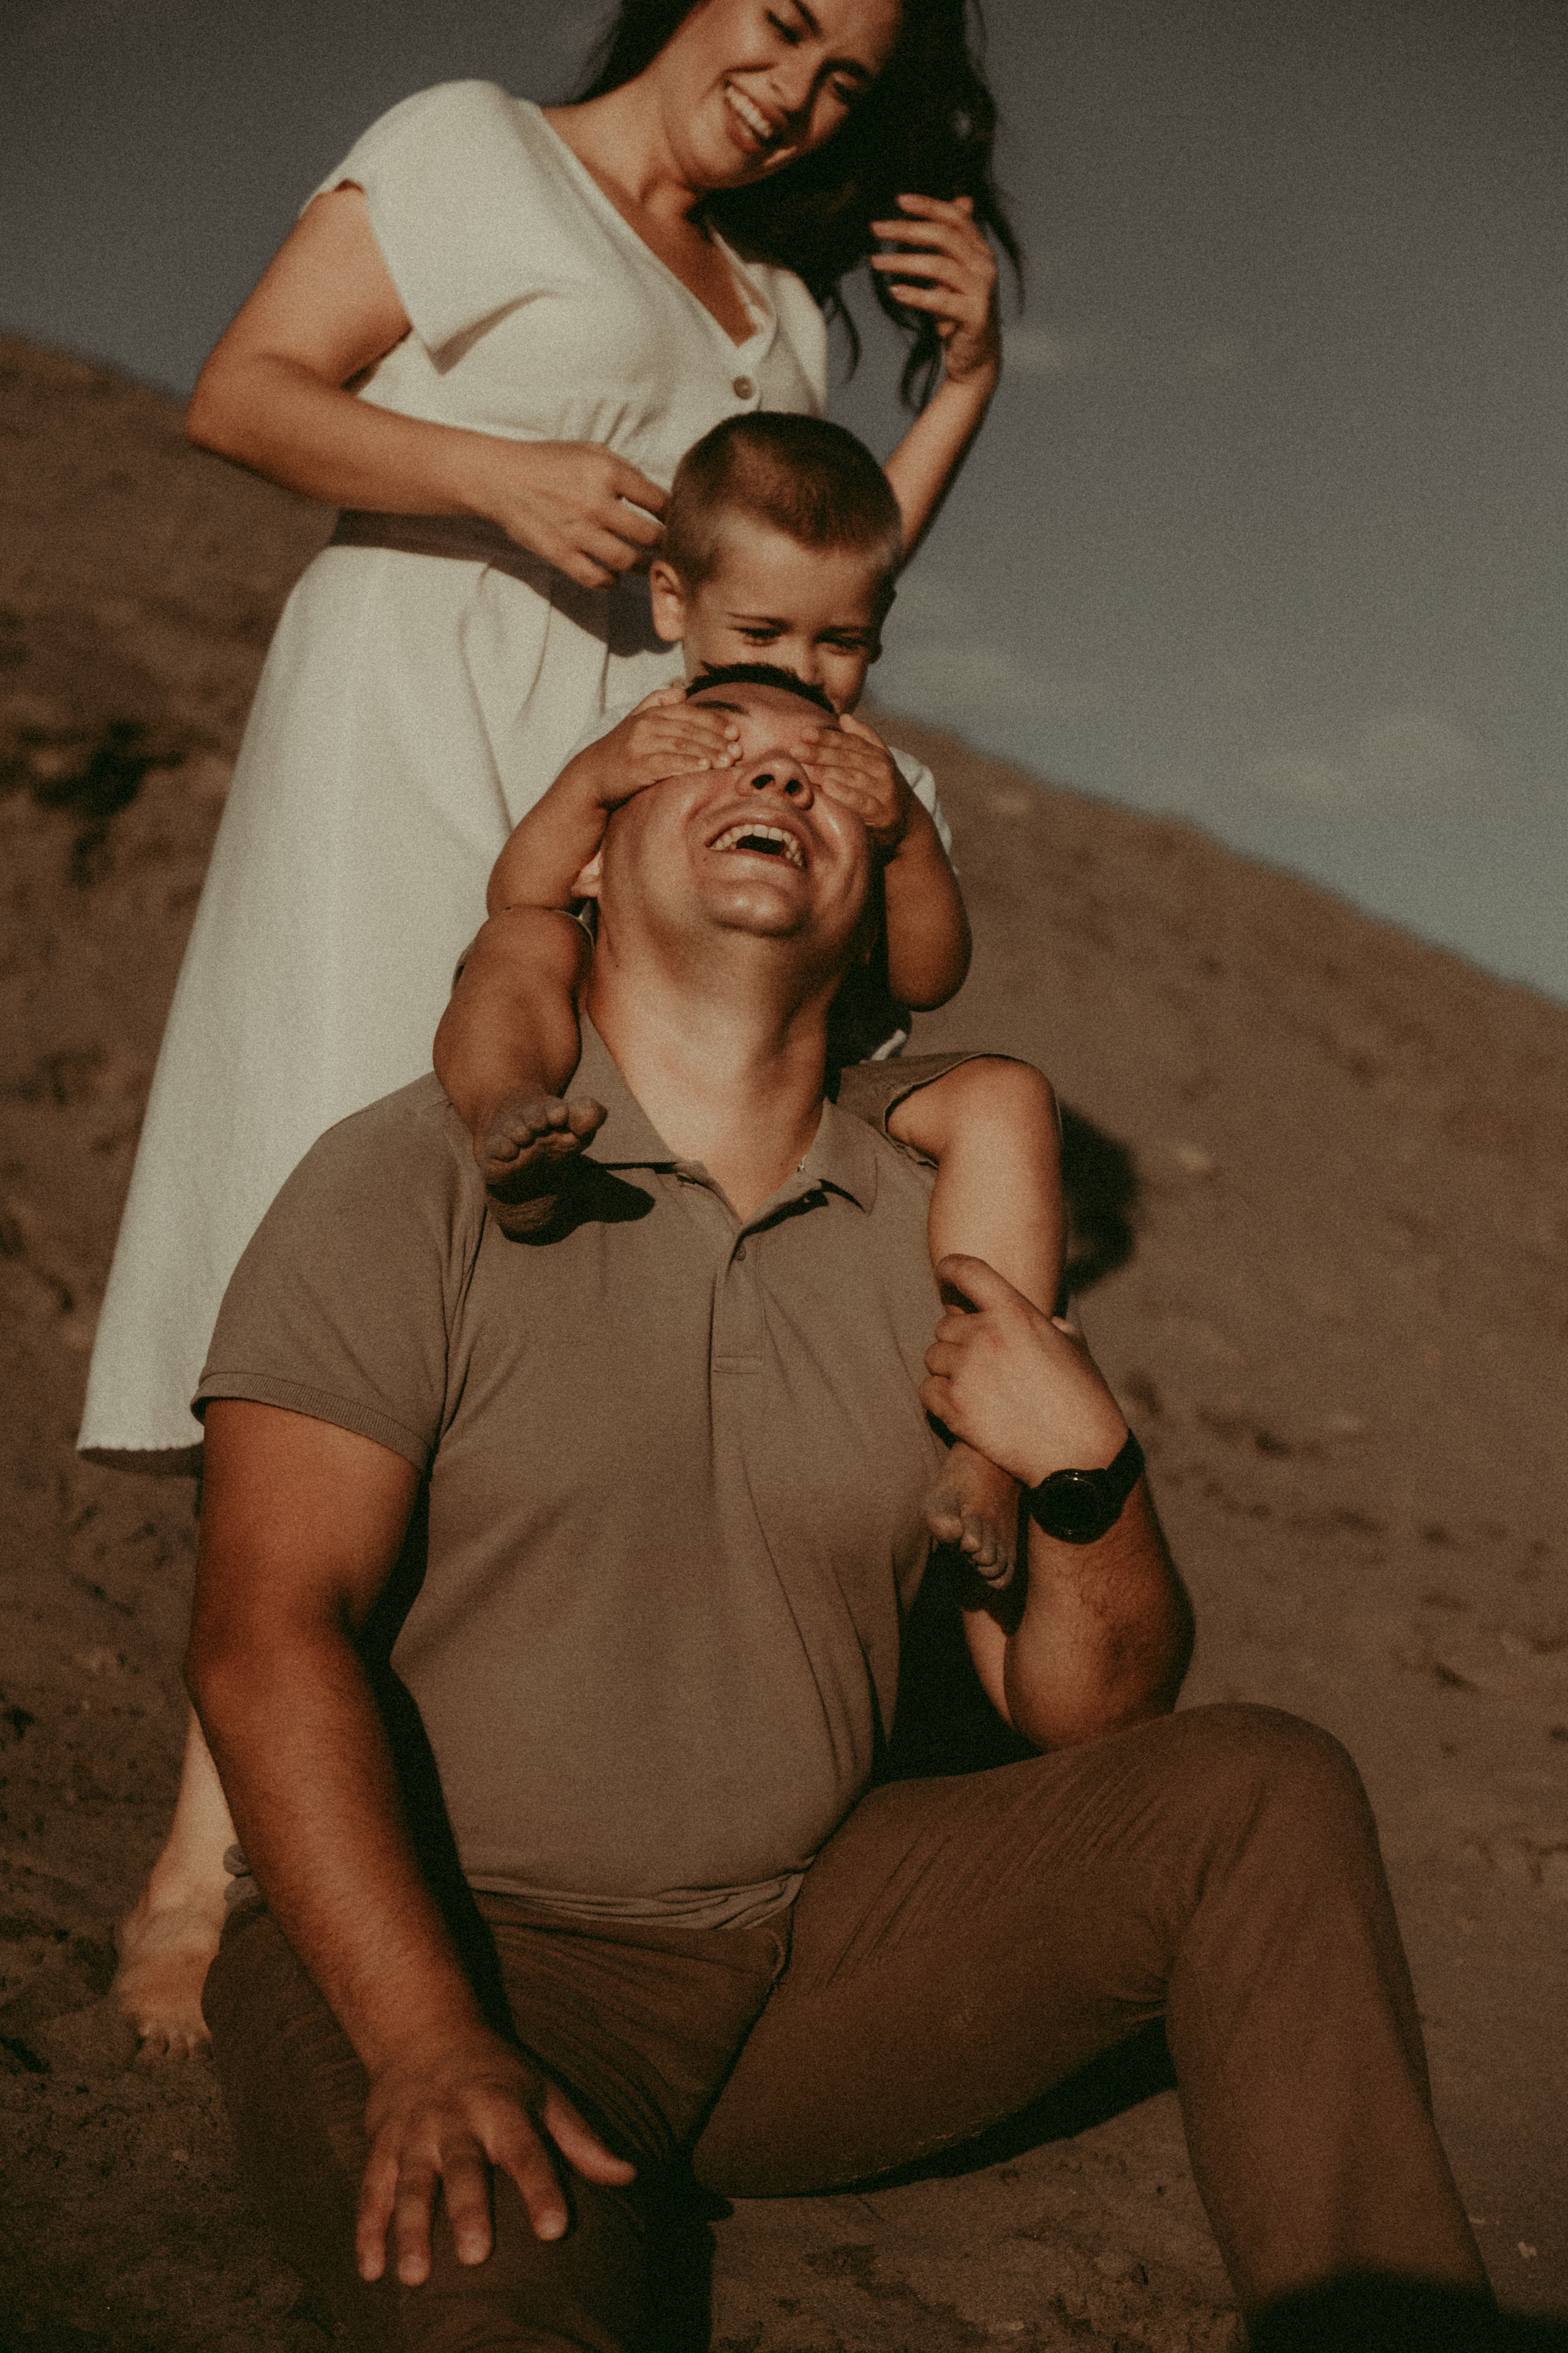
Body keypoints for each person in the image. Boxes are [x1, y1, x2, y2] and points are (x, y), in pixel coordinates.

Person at [189, 674, 1497, 2353]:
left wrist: (1090, 1477)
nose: (777, 780)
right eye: (712, 751)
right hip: (452, 1947)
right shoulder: (411, 1179)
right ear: (584, 860)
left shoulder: (938, 1245)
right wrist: (432, 2040)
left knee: (1263, 1791)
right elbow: (261, 1636)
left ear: (878, 907)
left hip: (804, 1950)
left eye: (825, 781)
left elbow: (1084, 1712)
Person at [93, 0, 1020, 2049]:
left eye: (851, 80)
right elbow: (243, 394)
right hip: (400, 709)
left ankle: (386, 1819)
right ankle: (204, 1856)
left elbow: (798, 594)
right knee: (331, 1210)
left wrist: (967, 382)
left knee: (524, 1259)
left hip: (615, 779)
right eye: (785, 19)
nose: (795, 82)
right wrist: (494, 475)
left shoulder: (776, 314)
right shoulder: (470, 144)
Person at [432, 412, 1063, 1576]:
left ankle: (987, 1435)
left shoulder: (885, 777)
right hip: (628, 1045)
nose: (804, 668)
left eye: (843, 643)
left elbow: (929, 975)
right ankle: (508, 1115)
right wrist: (596, 782)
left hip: (830, 1083)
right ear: (673, 605)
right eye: (764, 628)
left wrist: (903, 832)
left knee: (1008, 1101)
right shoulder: (642, 733)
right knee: (519, 946)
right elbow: (519, 887)